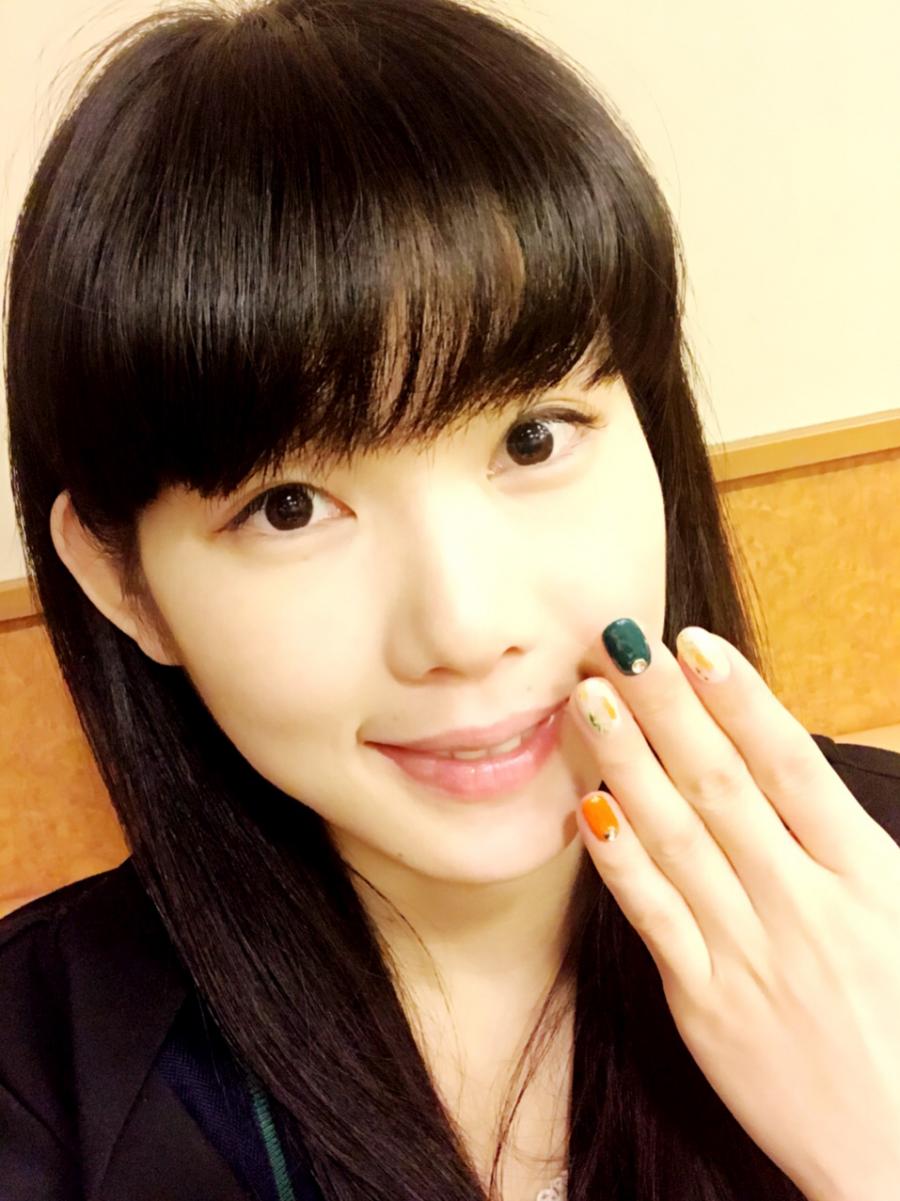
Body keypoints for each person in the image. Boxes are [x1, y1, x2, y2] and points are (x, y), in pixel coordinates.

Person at [2, 2, 898, 1200]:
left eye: (533, 438)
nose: (467, 628)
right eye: (288, 506)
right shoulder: (40, 1077)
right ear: (128, 584)